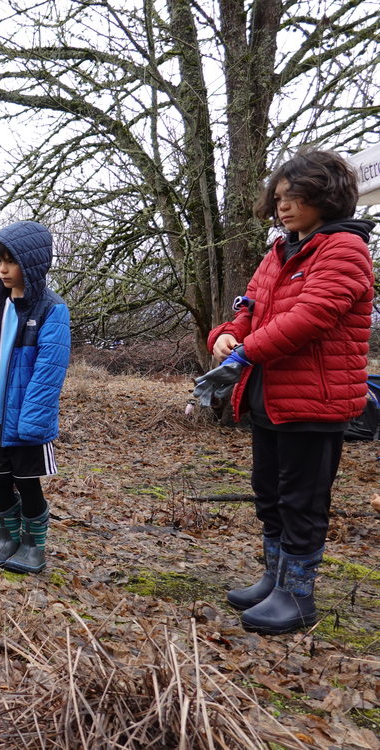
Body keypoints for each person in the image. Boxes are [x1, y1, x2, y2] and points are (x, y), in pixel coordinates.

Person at [197, 149, 373, 634]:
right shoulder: (279, 253)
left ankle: (297, 595)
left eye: (293, 196)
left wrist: (245, 351)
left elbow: (311, 318)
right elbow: (247, 311)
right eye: (278, 198)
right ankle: (273, 580)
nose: (283, 207)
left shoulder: (344, 249)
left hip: (314, 402)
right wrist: (224, 337)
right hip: (269, 396)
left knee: (302, 500)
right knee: (269, 492)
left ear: (326, 195)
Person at [0, 222, 71, 573]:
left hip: (26, 420)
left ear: (32, 264)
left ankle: (33, 545)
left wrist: (32, 422)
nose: (3, 268)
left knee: (27, 484)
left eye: (12, 261)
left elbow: (49, 371)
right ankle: (6, 539)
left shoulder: (51, 310)